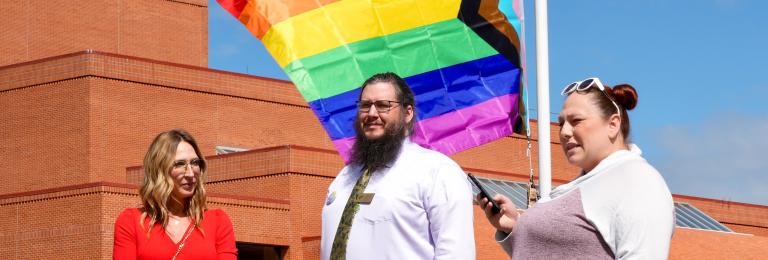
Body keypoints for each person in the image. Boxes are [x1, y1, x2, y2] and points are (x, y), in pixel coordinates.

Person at [478, 77, 674, 259]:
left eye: (576, 121)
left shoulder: (637, 180)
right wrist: (515, 227)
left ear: (613, 124)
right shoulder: (583, 186)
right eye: (561, 123)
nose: (563, 132)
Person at [320, 72, 476, 260]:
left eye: (383, 105)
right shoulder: (344, 177)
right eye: (365, 105)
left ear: (407, 113)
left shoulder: (438, 171)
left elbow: (456, 254)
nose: (371, 113)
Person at [114, 129, 237, 259]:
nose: (190, 173)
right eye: (180, 164)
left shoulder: (218, 222)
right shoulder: (131, 222)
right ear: (159, 169)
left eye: (195, 163)